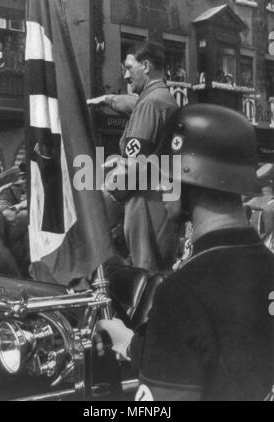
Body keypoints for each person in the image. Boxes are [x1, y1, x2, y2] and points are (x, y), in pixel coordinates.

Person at [98, 104, 274, 401]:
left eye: (167, 174)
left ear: (188, 181)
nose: (162, 184)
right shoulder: (267, 265)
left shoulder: (182, 292)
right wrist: (131, 345)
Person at [91, 41, 179, 272]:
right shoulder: (162, 98)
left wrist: (105, 194)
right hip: (162, 199)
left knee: (146, 275)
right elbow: (134, 104)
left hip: (145, 203)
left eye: (129, 68)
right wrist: (107, 100)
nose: (126, 76)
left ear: (146, 66)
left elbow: (133, 167)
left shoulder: (149, 105)